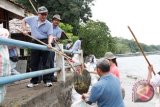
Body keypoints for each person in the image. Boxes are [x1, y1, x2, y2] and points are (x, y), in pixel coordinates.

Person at [22, 6, 55, 87]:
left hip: (44, 42)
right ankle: (34, 81)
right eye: (42, 14)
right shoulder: (32, 19)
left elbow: (50, 35)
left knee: (46, 63)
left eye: (45, 14)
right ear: (38, 14)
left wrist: (49, 43)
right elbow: (23, 20)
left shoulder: (49, 24)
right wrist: (24, 29)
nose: (44, 16)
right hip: (34, 41)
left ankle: (47, 80)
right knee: (34, 62)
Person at [49, 14, 63, 82]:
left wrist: (54, 38)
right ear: (52, 20)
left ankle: (51, 76)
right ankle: (39, 77)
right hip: (44, 44)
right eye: (55, 20)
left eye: (58, 21)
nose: (57, 21)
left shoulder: (59, 30)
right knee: (41, 61)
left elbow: (57, 38)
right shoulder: (47, 26)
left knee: (51, 60)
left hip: (52, 46)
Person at [0, 28, 11, 104]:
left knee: (2, 88)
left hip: (3, 64)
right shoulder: (4, 31)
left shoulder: (3, 31)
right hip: (4, 64)